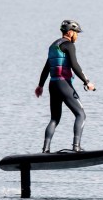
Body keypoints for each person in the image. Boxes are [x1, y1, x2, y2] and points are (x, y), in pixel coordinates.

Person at [35, 20, 95, 153]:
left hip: (53, 84)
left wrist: (40, 86)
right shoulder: (69, 45)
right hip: (64, 84)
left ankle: (45, 150)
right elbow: (75, 65)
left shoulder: (53, 46)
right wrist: (87, 82)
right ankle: (76, 147)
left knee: (54, 118)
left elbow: (47, 67)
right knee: (81, 115)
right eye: (76, 33)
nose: (77, 36)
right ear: (69, 32)